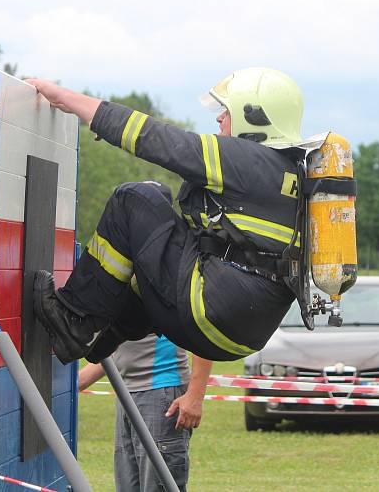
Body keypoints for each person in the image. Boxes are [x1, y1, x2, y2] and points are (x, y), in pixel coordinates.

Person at [28, 67, 305, 364]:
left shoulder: (248, 159)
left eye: (227, 109)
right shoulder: (291, 173)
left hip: (210, 312)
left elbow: (156, 139)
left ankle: (75, 320)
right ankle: (102, 336)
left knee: (135, 199)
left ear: (255, 116)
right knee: (155, 222)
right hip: (245, 333)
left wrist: (67, 99)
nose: (219, 117)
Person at [78, 334, 212, 492]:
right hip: (125, 394)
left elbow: (203, 335)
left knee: (158, 486)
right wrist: (76, 383)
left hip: (160, 393)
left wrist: (195, 396)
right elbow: (119, 349)